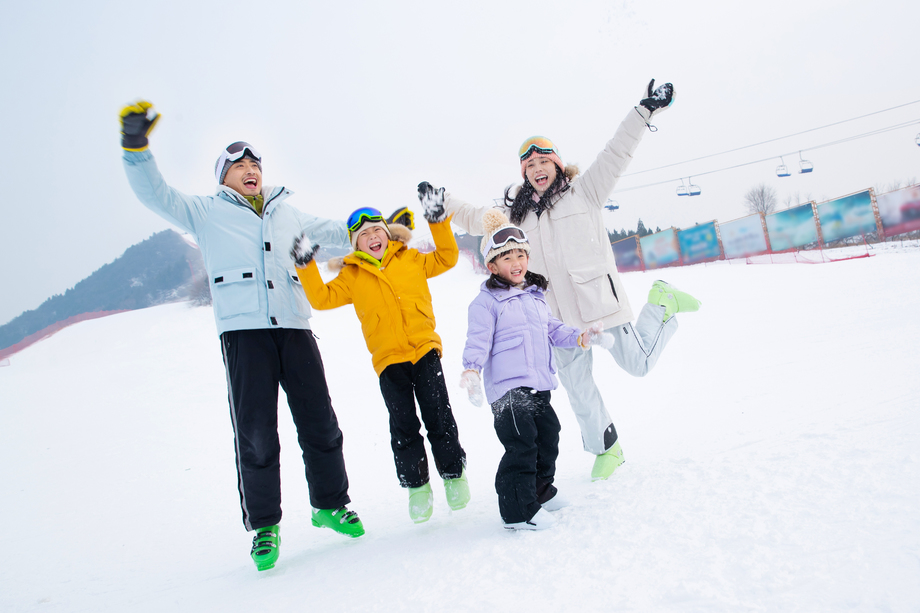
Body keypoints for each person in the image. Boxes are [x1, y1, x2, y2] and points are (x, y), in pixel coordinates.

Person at [119, 100, 365, 572]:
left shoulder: (286, 212)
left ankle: (330, 505)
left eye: (255, 164)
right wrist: (136, 148)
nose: (250, 170)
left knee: (319, 420)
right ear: (223, 178)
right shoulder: (206, 212)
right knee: (255, 432)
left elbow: (339, 229)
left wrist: (375, 223)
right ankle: (265, 527)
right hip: (244, 333)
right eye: (239, 166)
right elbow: (157, 195)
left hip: (294, 325)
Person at [432, 79, 701, 481]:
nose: (538, 169)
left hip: (600, 304)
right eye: (530, 165)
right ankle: (607, 447)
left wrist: (643, 111)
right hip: (556, 318)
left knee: (639, 364)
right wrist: (445, 204)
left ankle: (662, 301)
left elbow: (617, 152)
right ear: (524, 174)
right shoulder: (516, 217)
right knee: (577, 387)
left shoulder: (585, 191)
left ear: (557, 164)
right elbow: (478, 218)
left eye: (544, 161)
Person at [289, 183, 469, 524]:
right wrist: (305, 264)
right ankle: (417, 487)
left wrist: (437, 219)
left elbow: (447, 257)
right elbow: (321, 299)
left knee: (439, 416)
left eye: (377, 230)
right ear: (354, 244)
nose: (372, 237)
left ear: (387, 234)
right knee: (403, 426)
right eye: (363, 235)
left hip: (425, 350)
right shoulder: (352, 275)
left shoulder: (410, 258)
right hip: (388, 360)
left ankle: (453, 474)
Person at [460, 210, 612, 530]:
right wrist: (471, 370)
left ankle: (539, 491)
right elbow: (477, 340)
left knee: (548, 436)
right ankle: (517, 511)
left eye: (520, 254)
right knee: (522, 445)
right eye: (506, 257)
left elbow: (553, 329)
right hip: (508, 390)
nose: (516, 262)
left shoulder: (534, 295)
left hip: (538, 383)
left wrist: (582, 337)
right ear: (492, 266)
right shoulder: (487, 301)